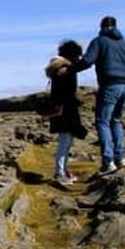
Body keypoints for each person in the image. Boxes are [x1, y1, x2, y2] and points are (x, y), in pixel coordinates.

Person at [80, 16, 125, 175]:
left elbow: (87, 61)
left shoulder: (99, 41)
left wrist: (69, 68)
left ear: (101, 26)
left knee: (102, 122)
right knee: (116, 120)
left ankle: (108, 162)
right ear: (116, 26)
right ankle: (120, 158)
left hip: (109, 86)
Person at [45, 39, 88, 186]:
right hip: (66, 109)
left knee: (66, 141)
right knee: (65, 142)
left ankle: (63, 170)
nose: (78, 59)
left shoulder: (59, 68)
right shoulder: (65, 69)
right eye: (77, 56)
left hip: (61, 109)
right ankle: (60, 173)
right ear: (72, 55)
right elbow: (66, 92)